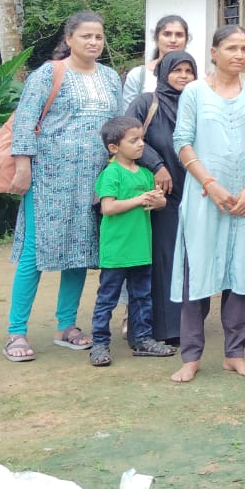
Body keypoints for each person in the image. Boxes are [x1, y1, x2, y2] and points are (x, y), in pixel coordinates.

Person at [4, 11, 123, 363]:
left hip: (92, 180)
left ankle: (66, 326)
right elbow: (25, 121)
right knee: (33, 253)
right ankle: (16, 331)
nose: (93, 42)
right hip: (48, 180)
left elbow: (116, 129)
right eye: (86, 36)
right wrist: (23, 167)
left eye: (99, 37)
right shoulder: (48, 74)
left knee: (80, 252)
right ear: (69, 39)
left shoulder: (112, 78)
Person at [170, 25, 245, 383]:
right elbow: (182, 142)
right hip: (203, 195)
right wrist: (210, 184)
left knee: (241, 272)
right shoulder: (195, 92)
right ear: (213, 52)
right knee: (197, 271)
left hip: (244, 197)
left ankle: (235, 353)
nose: (240, 55)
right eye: (232, 48)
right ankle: (191, 355)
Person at [88, 116, 176, 366]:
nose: (141, 145)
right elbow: (108, 207)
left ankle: (143, 339)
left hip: (141, 250)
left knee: (142, 297)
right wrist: (140, 200)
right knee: (107, 298)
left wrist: (159, 201)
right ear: (114, 147)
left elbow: (159, 202)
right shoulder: (111, 173)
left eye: (142, 139)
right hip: (116, 252)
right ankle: (100, 344)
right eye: (134, 140)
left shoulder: (146, 174)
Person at [126, 49, 197, 345]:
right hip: (160, 192)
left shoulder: (196, 102)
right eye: (176, 70)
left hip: (191, 189)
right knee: (161, 257)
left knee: (187, 258)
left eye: (188, 71)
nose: (183, 76)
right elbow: (128, 136)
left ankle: (183, 325)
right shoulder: (146, 102)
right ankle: (157, 328)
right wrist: (157, 166)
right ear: (163, 72)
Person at [122, 15, 190, 106]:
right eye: (167, 34)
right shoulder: (138, 75)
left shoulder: (196, 76)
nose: (173, 40)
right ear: (156, 38)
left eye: (179, 35)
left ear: (186, 40)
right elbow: (129, 116)